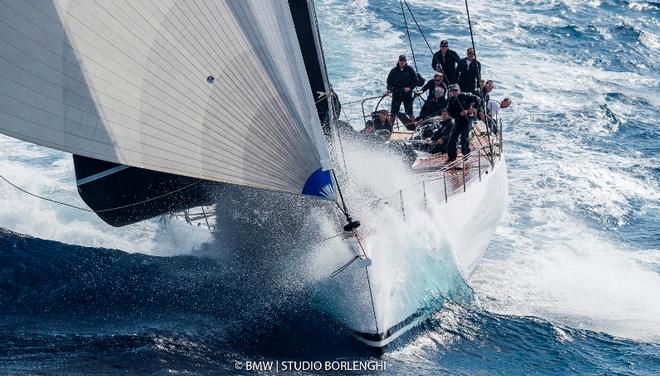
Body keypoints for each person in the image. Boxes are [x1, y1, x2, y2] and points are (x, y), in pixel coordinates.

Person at [446, 84, 482, 162]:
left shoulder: (466, 95)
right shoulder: (451, 100)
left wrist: (473, 108)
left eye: (456, 90)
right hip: (458, 121)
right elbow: (450, 113)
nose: (454, 92)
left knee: (464, 137)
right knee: (452, 139)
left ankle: (466, 154)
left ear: (459, 90)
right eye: (452, 91)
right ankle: (451, 157)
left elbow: (478, 99)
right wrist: (459, 114)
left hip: (467, 120)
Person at [386, 55, 418, 127]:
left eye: (404, 61)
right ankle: (390, 129)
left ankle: (416, 128)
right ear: (398, 61)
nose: (402, 62)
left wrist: (410, 88)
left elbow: (416, 81)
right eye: (401, 60)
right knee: (393, 113)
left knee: (410, 112)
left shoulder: (410, 70)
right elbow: (389, 81)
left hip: (407, 95)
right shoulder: (393, 71)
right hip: (396, 94)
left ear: (406, 61)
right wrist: (389, 89)